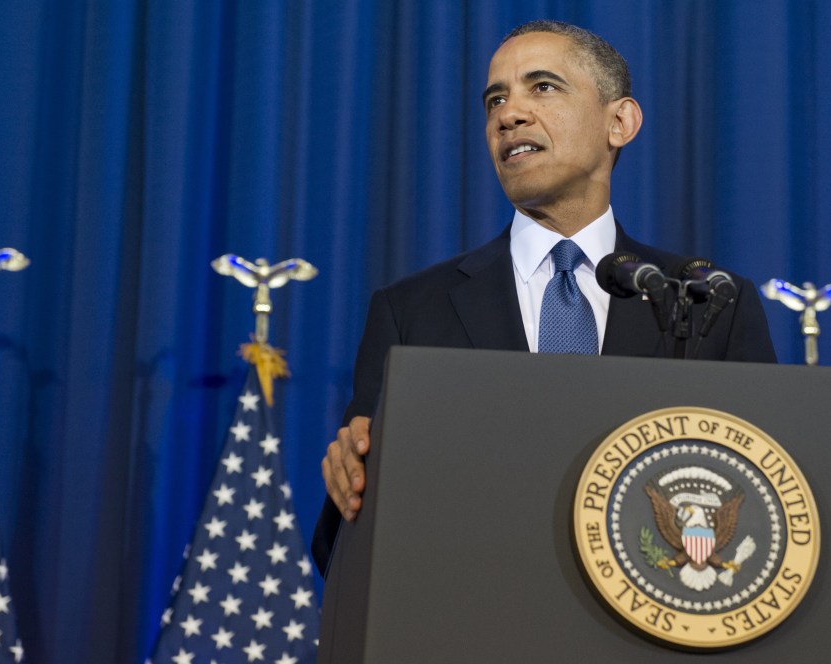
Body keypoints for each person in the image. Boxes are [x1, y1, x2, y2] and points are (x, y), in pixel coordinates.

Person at [313, 20, 775, 577]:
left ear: (620, 122)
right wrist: (352, 481)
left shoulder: (706, 301)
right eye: (495, 99)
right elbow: (349, 542)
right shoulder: (412, 310)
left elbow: (758, 495)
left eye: (543, 88)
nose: (509, 115)